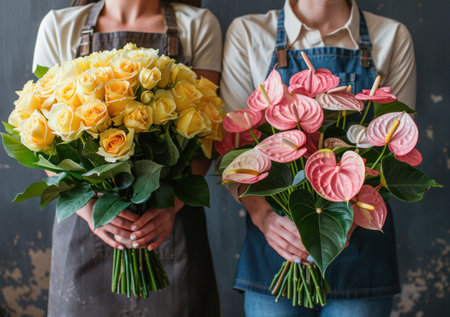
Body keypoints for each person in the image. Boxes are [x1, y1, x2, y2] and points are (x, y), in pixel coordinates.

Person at [220, 0, 416, 316]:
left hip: (359, 247)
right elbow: (234, 148)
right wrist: (264, 217)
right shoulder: (249, 32)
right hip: (277, 245)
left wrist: (344, 220)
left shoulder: (392, 36)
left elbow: (395, 149)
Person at [32, 0, 222, 316]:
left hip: (169, 225)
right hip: (85, 227)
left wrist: (169, 207)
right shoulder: (60, 26)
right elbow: (44, 143)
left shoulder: (198, 24)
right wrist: (91, 212)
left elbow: (206, 135)